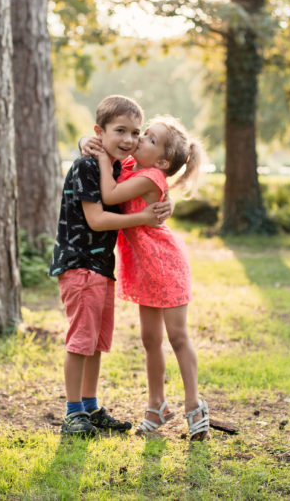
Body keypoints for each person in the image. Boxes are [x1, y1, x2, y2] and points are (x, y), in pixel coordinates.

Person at [50, 95, 172, 437]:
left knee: (97, 342)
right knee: (80, 341)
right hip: (79, 264)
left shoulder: (117, 166)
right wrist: (142, 218)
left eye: (135, 132)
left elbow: (151, 181)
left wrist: (166, 202)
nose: (129, 140)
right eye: (120, 130)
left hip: (102, 266)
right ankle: (73, 412)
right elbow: (98, 218)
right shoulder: (87, 166)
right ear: (99, 132)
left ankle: (90, 405)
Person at [90, 114, 211, 441]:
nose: (139, 140)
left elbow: (111, 195)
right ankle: (157, 405)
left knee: (177, 336)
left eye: (150, 139)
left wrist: (101, 157)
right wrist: (94, 145)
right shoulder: (134, 166)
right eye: (143, 134)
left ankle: (194, 405)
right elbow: (110, 147)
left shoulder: (152, 176)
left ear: (162, 160)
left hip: (166, 263)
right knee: (149, 339)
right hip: (144, 266)